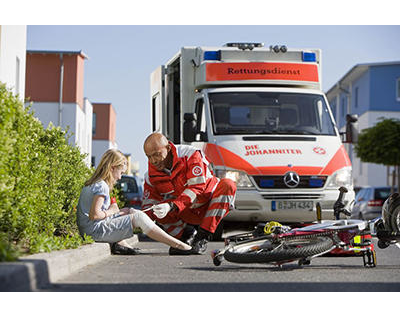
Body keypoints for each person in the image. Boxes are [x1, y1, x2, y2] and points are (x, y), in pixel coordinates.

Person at [76, 148, 192, 255]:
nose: (120, 177)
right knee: (138, 217)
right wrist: (111, 211)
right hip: (94, 232)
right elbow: (95, 215)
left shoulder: (95, 183)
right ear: (112, 168)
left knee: (131, 211)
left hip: (90, 229)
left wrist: (121, 211)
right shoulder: (102, 186)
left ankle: (122, 244)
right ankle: (177, 244)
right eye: (121, 173)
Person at [142, 133, 237, 255]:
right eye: (148, 157)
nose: (153, 161)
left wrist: (171, 206)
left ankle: (202, 238)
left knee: (228, 185)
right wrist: (132, 222)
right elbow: (147, 207)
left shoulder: (190, 154)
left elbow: (197, 188)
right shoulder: (150, 176)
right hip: (186, 211)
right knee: (156, 210)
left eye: (157, 155)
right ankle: (185, 236)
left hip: (208, 204)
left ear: (169, 148)